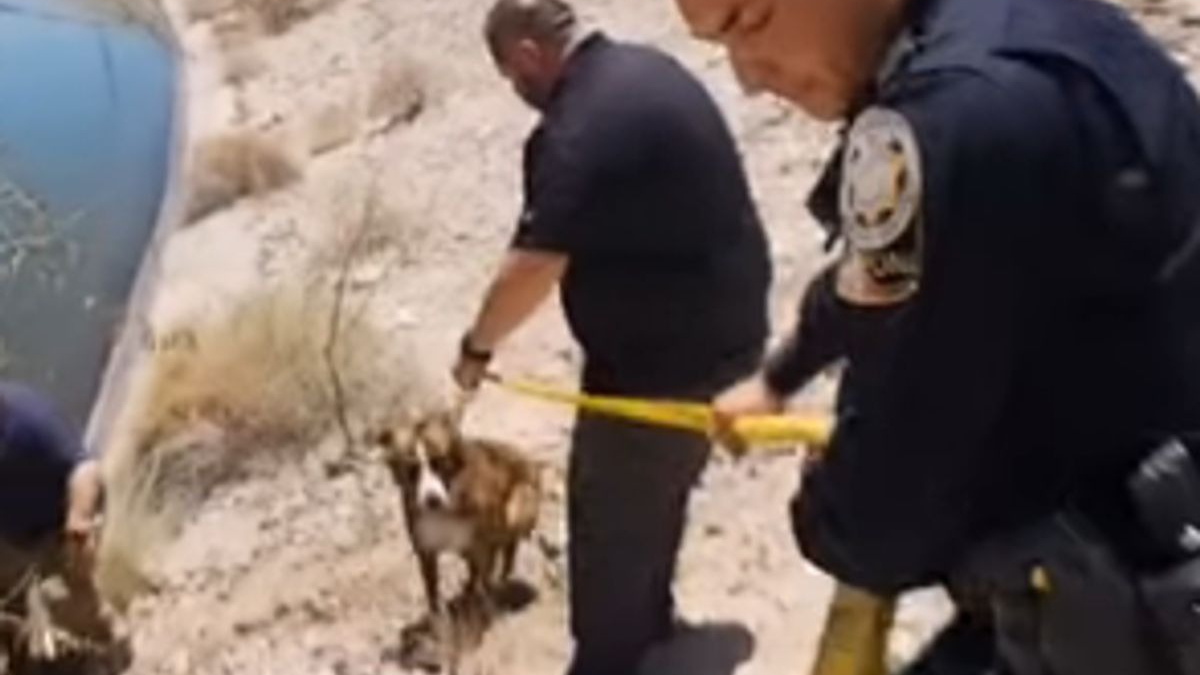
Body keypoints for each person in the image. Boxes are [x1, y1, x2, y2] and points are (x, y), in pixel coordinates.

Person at [673, 0, 1200, 673]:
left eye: (749, 22)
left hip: (1124, 601)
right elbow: (878, 271)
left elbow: (886, 519)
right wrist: (781, 375)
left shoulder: (936, 127)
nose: (748, 76)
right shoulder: (1019, 29)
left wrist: (826, 503)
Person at [451, 1, 772, 673]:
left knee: (611, 514)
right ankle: (650, 623)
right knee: (658, 493)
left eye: (512, 75)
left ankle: (613, 655)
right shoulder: (646, 71)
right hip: (731, 331)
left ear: (530, 54)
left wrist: (477, 348)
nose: (518, 92)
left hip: (661, 363)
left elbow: (533, 266)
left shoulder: (577, 128)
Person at [0, 381, 114, 657]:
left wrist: (78, 519)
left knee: (71, 604)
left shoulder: (27, 417)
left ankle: (106, 643)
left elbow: (85, 469)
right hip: (13, 538)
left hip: (61, 523)